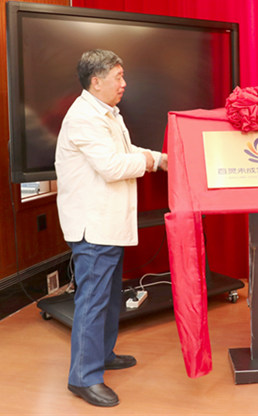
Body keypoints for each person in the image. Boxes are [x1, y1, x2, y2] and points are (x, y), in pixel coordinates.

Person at [55, 49, 168, 407]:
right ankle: (83, 378)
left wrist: (160, 159)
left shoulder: (107, 113)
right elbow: (112, 166)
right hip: (94, 226)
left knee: (106, 297)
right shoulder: (83, 118)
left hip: (108, 224)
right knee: (92, 301)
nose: (124, 84)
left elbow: (126, 150)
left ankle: (102, 355)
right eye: (118, 77)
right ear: (96, 81)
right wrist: (150, 160)